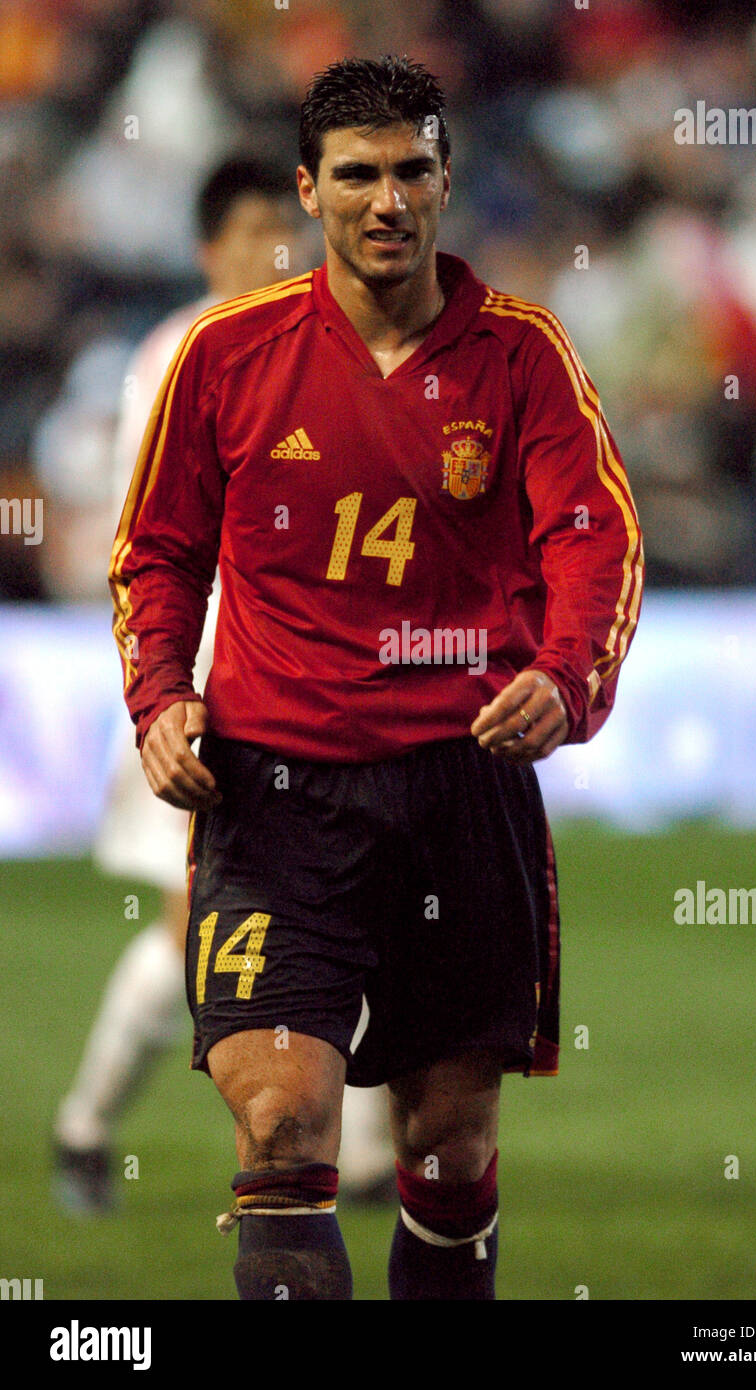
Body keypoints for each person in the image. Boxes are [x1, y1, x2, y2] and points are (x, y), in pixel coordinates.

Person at [108, 57, 643, 1300]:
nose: (386, 198)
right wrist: (157, 694)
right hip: (276, 797)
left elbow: (593, 538)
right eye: (356, 173)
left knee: (446, 1148)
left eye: (411, 170)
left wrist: (566, 679)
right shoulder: (227, 356)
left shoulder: (522, 357)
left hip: (462, 792)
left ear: (447, 181)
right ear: (309, 190)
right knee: (282, 1130)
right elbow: (160, 551)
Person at [54, 154, 394, 1214]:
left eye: (281, 233)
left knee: (350, 901)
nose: (273, 254)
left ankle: (362, 1148)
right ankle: (91, 1123)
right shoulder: (176, 359)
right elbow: (156, 544)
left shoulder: (306, 348)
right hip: (200, 696)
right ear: (211, 250)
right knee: (196, 927)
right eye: (252, 235)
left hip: (300, 692)